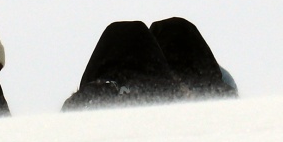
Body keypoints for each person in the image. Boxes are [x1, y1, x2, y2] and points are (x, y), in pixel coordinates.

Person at [62, 16, 235, 110]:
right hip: (183, 92)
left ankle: (108, 91)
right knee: (175, 30)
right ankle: (204, 92)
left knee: (125, 32)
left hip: (141, 90)